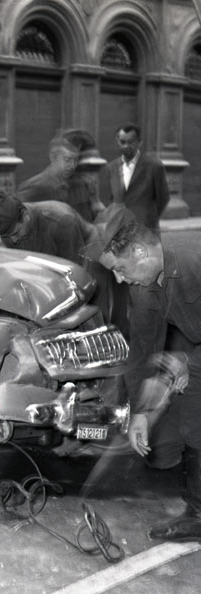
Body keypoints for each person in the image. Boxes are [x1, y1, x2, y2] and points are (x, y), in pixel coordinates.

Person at [96, 212, 201, 541]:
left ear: (140, 252)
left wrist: (187, 360)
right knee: (193, 419)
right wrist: (139, 413)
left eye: (120, 268)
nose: (120, 280)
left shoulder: (193, 260)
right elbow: (142, 348)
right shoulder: (145, 287)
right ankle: (198, 514)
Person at [0, 191, 96, 266]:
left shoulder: (61, 221)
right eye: (7, 236)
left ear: (25, 216)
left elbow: (73, 269)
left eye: (16, 233)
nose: (13, 241)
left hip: (87, 249)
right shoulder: (8, 230)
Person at [102, 123, 170, 231]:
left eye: (130, 142)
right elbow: (109, 199)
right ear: (117, 141)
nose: (126, 146)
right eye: (122, 142)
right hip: (118, 231)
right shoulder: (111, 168)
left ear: (139, 142)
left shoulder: (154, 167)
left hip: (145, 230)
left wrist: (150, 220)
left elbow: (163, 197)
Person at [16, 135, 80, 206]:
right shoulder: (38, 186)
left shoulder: (69, 185)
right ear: (53, 157)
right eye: (67, 160)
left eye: (75, 160)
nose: (72, 166)